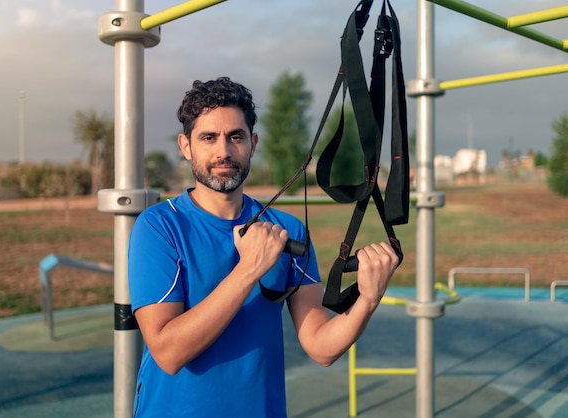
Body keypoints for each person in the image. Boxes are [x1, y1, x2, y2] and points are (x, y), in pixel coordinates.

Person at [128, 77, 399, 417]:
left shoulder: (287, 230)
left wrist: (367, 299)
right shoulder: (159, 226)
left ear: (252, 144)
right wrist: (249, 269)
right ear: (186, 146)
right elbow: (168, 353)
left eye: (235, 137)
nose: (223, 152)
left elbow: (320, 347)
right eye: (208, 138)